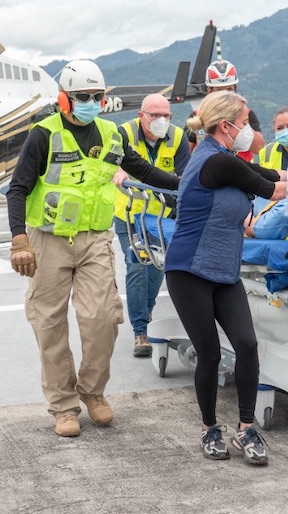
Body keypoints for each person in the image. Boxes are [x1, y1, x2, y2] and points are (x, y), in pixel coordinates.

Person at [5, 60, 180, 438]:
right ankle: (64, 406)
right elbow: (17, 188)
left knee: (102, 318)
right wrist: (19, 239)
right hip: (48, 240)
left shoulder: (112, 135)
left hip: (94, 240)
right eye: (82, 96)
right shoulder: (43, 135)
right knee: (49, 324)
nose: (90, 102)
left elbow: (145, 172)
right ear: (64, 99)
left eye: (97, 96)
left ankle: (93, 390)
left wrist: (188, 184)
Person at [164, 91, 287, 465]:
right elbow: (272, 188)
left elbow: (267, 174)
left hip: (224, 271)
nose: (249, 128)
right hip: (189, 271)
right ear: (225, 125)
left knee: (247, 345)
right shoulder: (215, 161)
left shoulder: (228, 159)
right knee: (211, 353)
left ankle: (246, 429)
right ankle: (209, 428)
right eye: (246, 122)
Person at [114, 94, 191, 357]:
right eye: (155, 115)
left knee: (157, 268)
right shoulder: (123, 133)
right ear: (141, 116)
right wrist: (118, 171)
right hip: (129, 213)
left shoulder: (178, 137)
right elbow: (110, 164)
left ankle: (145, 312)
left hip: (161, 216)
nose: (161, 120)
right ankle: (140, 331)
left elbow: (184, 177)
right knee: (137, 266)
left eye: (166, 115)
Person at [184, 60, 265, 160]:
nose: (225, 95)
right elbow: (186, 155)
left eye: (229, 89)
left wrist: (243, 123)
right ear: (209, 91)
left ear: (235, 88)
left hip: (243, 168)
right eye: (219, 90)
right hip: (210, 166)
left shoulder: (247, 114)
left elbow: (258, 148)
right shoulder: (197, 116)